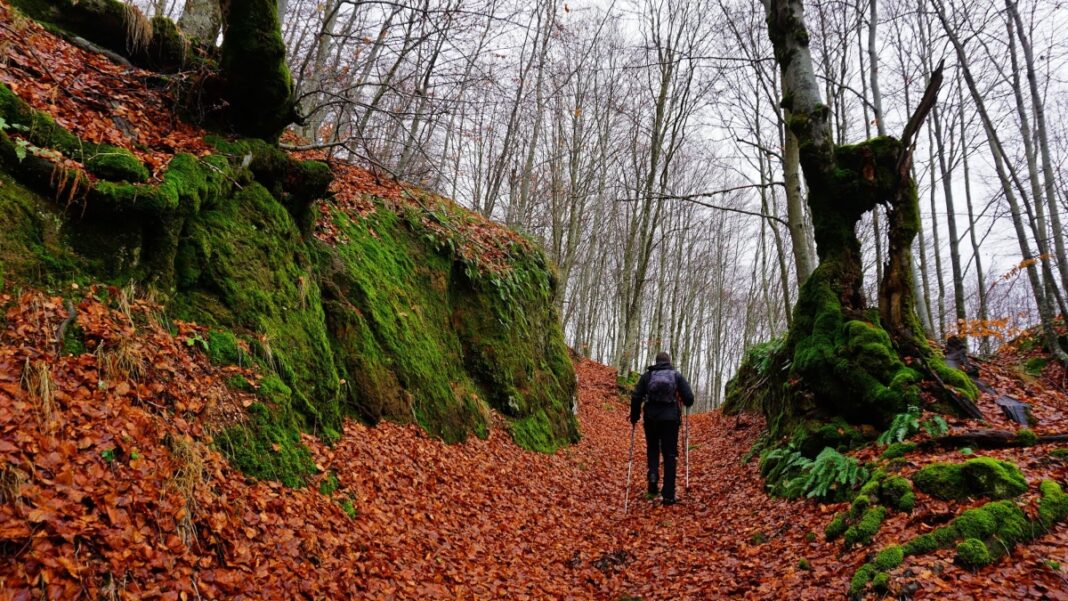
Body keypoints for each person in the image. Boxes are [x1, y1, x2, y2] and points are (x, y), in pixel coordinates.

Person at [629, 351, 694, 506]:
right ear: (669, 361)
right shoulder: (676, 376)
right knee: (669, 454)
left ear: (656, 362)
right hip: (670, 419)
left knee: (652, 448)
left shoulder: (647, 376)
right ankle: (668, 495)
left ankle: (652, 476)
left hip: (651, 418)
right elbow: (690, 399)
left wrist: (635, 416)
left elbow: (636, 396)